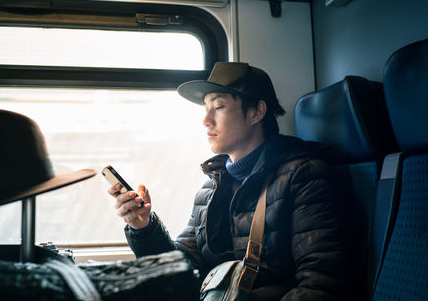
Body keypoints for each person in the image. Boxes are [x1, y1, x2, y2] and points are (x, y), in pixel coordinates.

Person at [109, 62, 354, 300]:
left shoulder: (303, 176)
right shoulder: (212, 186)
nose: (206, 120)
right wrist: (143, 227)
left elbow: (322, 284)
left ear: (257, 112)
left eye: (219, 107)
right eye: (205, 108)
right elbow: (182, 271)